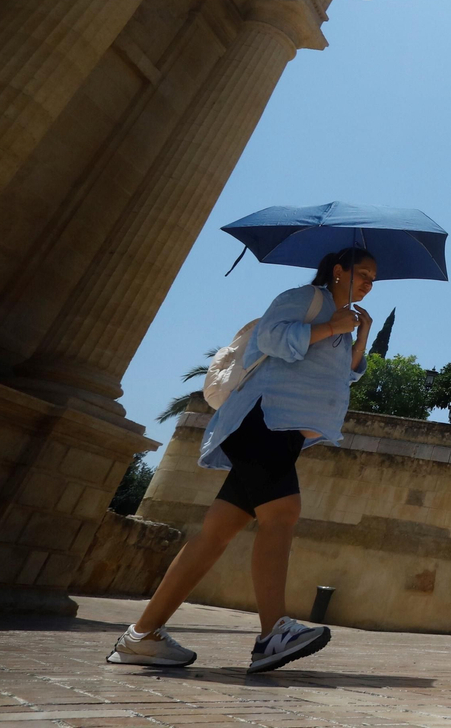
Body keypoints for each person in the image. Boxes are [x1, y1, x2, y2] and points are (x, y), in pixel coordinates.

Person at [107, 247, 377, 672]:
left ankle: (142, 636)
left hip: (284, 433)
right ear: (338, 271)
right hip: (261, 418)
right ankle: (273, 633)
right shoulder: (304, 298)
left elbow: (343, 374)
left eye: (373, 278)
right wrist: (329, 326)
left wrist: (358, 337)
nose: (368, 283)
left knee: (215, 533)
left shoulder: (343, 322)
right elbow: (270, 338)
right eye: (363, 273)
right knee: (283, 512)